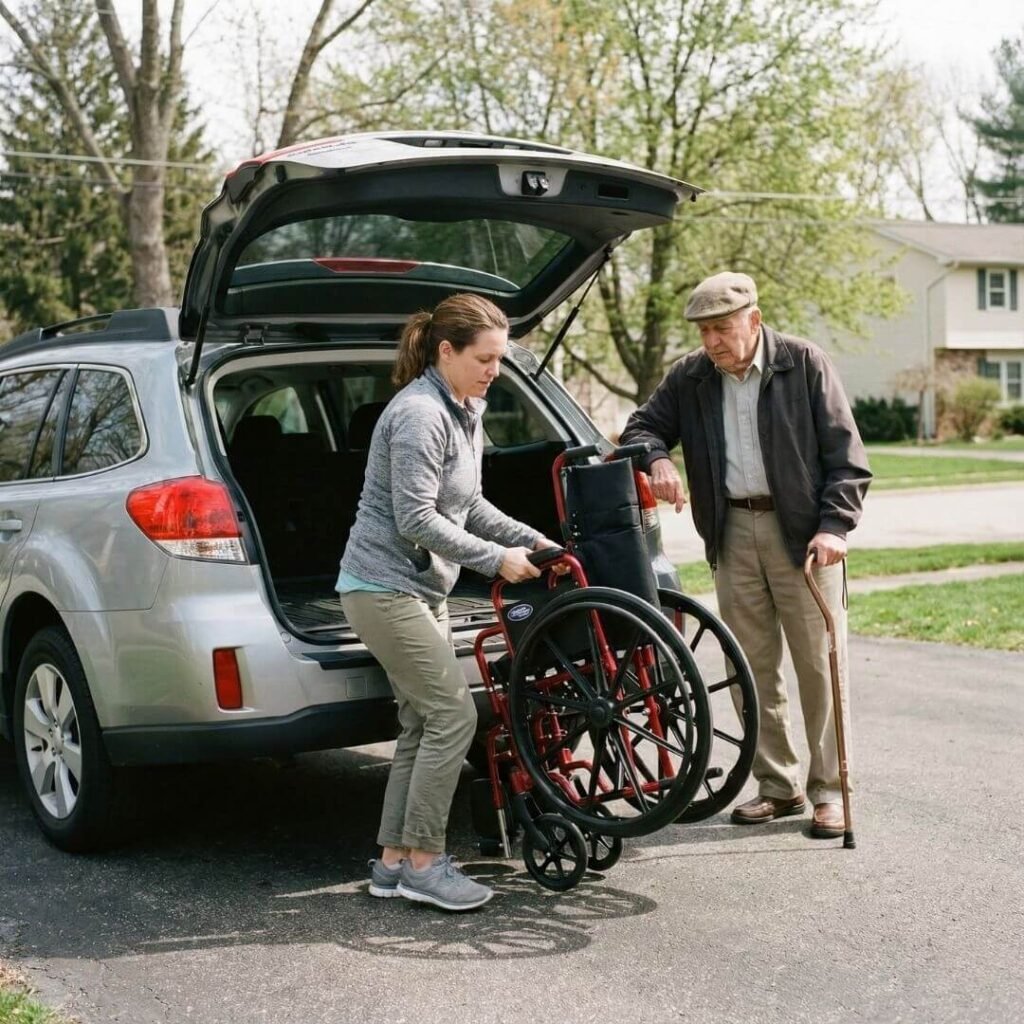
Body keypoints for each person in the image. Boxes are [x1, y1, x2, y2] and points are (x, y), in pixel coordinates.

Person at [619, 271, 871, 838]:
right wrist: (657, 458)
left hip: (805, 539)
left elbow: (847, 458)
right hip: (732, 532)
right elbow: (639, 427)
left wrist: (835, 526)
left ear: (753, 320)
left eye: (722, 328)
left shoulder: (803, 363)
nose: (712, 341)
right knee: (749, 670)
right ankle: (778, 786)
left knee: (819, 667)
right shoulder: (692, 376)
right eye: (705, 330)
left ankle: (830, 792)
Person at [338, 293, 559, 911]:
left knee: (420, 722)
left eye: (500, 359)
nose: (495, 370)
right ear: (446, 351)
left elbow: (470, 505)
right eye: (485, 358)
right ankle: (427, 865)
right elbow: (415, 519)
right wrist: (494, 560)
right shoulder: (418, 415)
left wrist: (530, 537)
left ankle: (390, 865)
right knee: (454, 716)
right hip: (381, 588)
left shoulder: (466, 408)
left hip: (419, 589)